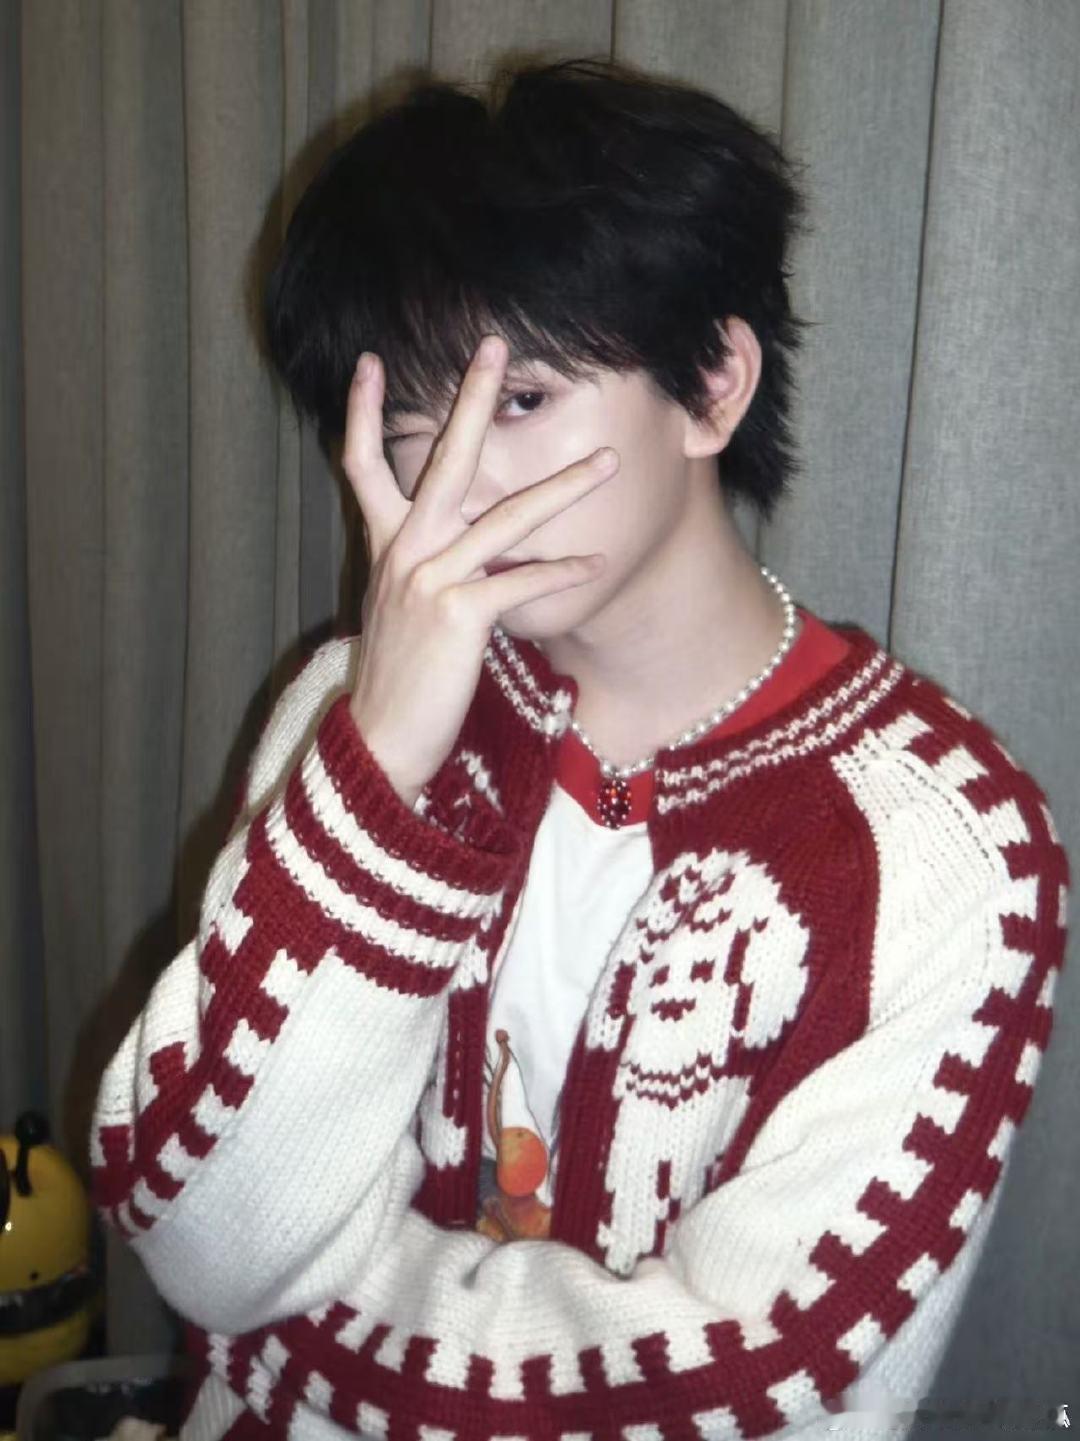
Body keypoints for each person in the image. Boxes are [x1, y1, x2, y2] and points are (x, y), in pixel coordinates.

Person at [89, 56, 1068, 1440]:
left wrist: (299, 1341)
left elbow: (760, 1393)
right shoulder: (354, 709)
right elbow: (197, 1237)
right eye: (413, 426)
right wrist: (376, 772)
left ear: (713, 385)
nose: (460, 486)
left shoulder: (950, 850)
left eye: (523, 400)